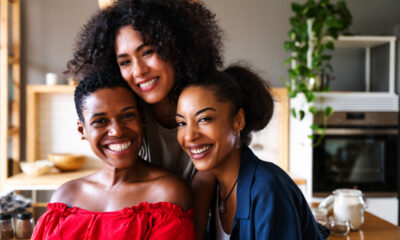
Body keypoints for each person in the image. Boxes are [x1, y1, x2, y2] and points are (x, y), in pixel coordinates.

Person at [66, 1, 223, 237]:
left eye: (148, 52)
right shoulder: (130, 112)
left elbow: (201, 195)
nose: (138, 71)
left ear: (176, 47)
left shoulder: (203, 104)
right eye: (125, 62)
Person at [32, 72, 195, 240]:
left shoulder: (168, 195)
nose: (117, 130)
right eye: (101, 121)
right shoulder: (65, 197)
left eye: (127, 116)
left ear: (142, 119)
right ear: (82, 130)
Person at [175, 64, 325, 239]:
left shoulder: (268, 189)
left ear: (238, 121)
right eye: (181, 123)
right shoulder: (215, 189)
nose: (189, 136)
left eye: (204, 119)